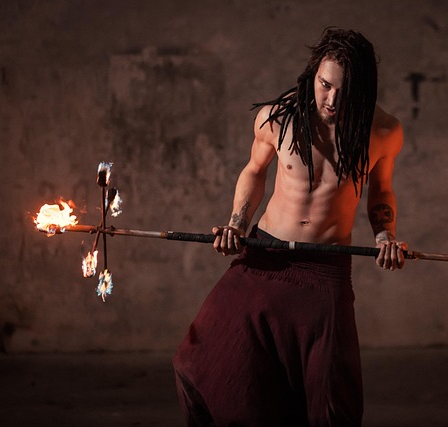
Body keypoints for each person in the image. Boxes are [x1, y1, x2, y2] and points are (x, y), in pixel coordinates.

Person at [173, 27, 405, 426]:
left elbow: (381, 191)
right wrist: (236, 224)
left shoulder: (383, 131)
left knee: (332, 406)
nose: (332, 100)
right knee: (199, 360)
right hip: (265, 257)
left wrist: (385, 236)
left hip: (324, 271)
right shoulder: (278, 118)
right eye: (325, 85)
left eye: (345, 91)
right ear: (314, 74)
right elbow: (254, 170)